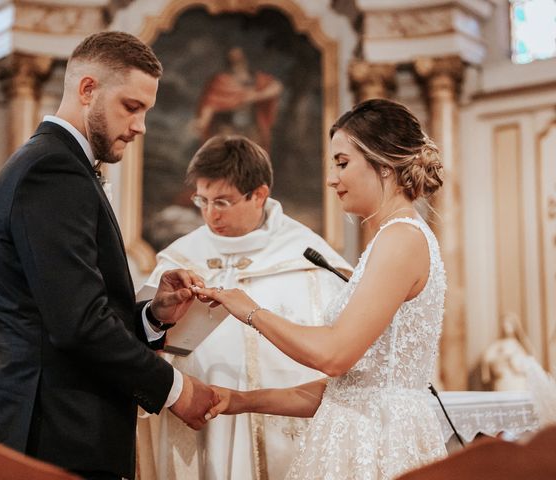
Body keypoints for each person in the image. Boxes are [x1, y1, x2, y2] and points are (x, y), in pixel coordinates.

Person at [0, 32, 217, 480]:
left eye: (146, 110)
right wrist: (175, 390)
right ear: (88, 90)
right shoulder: (53, 170)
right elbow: (78, 324)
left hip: (62, 427)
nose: (141, 125)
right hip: (52, 434)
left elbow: (69, 305)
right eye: (132, 106)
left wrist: (152, 316)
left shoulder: (60, 164)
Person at [196, 99, 448, 479]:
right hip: (360, 427)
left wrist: (251, 311)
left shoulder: (400, 239)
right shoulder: (393, 237)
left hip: (377, 442)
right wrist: (242, 400)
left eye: (342, 163)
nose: (332, 179)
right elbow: (345, 388)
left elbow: (333, 356)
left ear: (383, 163)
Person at [144, 134, 352, 480]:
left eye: (222, 202)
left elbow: (335, 353)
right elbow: (145, 344)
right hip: (202, 423)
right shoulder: (179, 259)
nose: (210, 214)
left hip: (279, 426)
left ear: (259, 195)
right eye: (202, 200)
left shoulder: (308, 258)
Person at [195, 47, 282, 152]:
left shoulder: (256, 78)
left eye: (238, 59)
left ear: (244, 60)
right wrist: (203, 121)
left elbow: (276, 87)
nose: (236, 62)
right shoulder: (221, 80)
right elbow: (210, 103)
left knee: (250, 159)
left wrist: (256, 96)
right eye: (232, 59)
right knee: (227, 158)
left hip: (250, 129)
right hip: (227, 128)